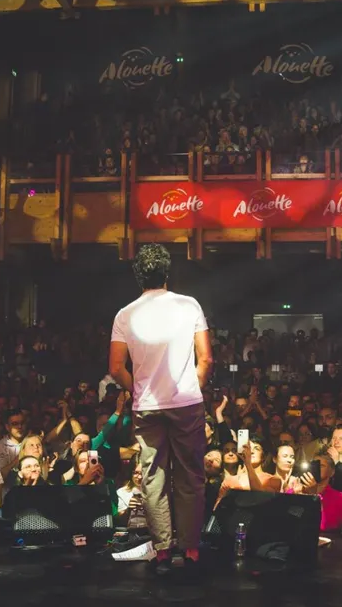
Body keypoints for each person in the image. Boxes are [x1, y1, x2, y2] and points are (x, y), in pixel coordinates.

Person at [109, 243, 212, 577]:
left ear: (139, 276)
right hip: (186, 403)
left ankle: (164, 549)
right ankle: (192, 549)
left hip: (147, 405)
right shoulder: (189, 305)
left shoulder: (125, 314)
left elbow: (115, 368)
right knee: (190, 475)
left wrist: (137, 387)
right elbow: (206, 358)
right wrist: (191, 386)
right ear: (167, 273)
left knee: (153, 477)